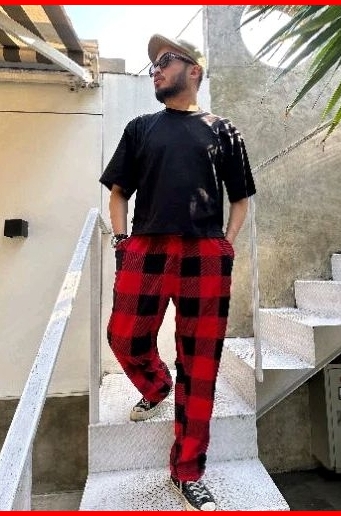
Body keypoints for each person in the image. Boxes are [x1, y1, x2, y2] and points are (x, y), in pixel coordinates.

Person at [99, 33, 256, 511]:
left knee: (200, 364)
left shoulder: (222, 130)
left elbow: (241, 198)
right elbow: (119, 192)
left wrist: (226, 244)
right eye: (153, 64)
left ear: (194, 70)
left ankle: (187, 471)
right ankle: (156, 385)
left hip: (205, 254)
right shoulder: (141, 128)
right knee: (123, 336)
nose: (155, 69)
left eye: (164, 61)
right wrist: (121, 240)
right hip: (145, 247)